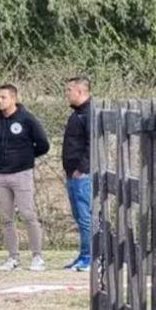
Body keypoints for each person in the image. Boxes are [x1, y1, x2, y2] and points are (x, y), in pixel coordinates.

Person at [0, 83, 50, 272]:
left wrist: (25, 156)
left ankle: (37, 257)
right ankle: (13, 258)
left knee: (28, 215)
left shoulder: (27, 119)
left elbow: (43, 144)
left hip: (21, 174)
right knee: (6, 218)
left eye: (3, 97)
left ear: (13, 98)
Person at [62, 77, 93, 272]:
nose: (67, 94)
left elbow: (92, 144)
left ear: (80, 92)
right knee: (78, 216)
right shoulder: (76, 114)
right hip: (71, 173)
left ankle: (90, 258)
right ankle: (83, 255)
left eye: (69, 90)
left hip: (82, 175)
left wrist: (82, 168)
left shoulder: (89, 114)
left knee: (85, 217)